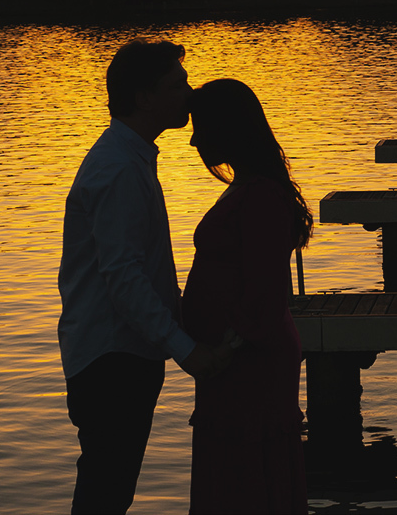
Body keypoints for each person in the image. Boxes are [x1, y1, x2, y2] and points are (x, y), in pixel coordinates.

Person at [58, 39, 230, 515]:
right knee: (105, 495)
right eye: (177, 85)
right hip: (112, 358)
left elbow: (135, 274)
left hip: (116, 353)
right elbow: (124, 278)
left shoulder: (129, 158)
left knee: (109, 493)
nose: (189, 94)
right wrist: (187, 350)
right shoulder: (119, 170)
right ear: (143, 97)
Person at [182, 79, 312, 515]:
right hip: (231, 363)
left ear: (229, 128)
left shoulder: (260, 196)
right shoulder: (247, 189)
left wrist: (223, 348)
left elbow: (263, 292)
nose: (196, 139)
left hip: (248, 363)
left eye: (202, 127)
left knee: (247, 477)